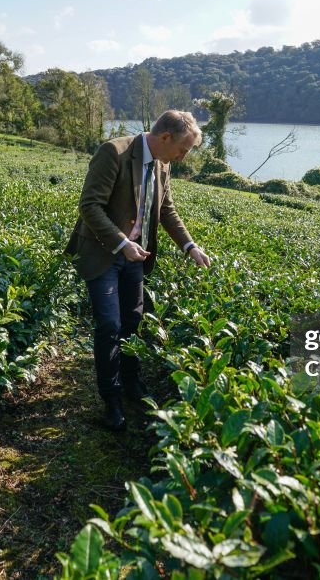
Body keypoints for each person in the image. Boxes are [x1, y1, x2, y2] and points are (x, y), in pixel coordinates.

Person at [65, 110, 212, 431]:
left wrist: (190, 246)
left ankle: (131, 382)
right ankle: (111, 399)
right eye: (183, 149)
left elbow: (166, 210)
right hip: (105, 253)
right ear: (164, 138)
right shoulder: (113, 152)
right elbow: (89, 205)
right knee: (109, 325)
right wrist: (121, 243)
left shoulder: (163, 163)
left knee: (133, 323)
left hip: (136, 256)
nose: (184, 157)